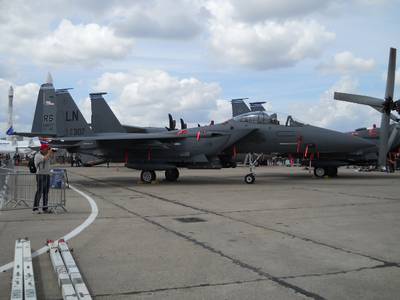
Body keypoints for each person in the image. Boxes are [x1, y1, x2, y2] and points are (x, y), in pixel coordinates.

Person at [33, 144, 54, 213]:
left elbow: (52, 159)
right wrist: (49, 152)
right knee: (39, 191)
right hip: (40, 175)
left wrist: (52, 153)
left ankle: (45, 208)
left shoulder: (47, 154)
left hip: (47, 175)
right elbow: (44, 158)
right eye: (47, 149)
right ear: (43, 149)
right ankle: (35, 208)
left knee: (46, 192)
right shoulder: (38, 155)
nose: (48, 150)